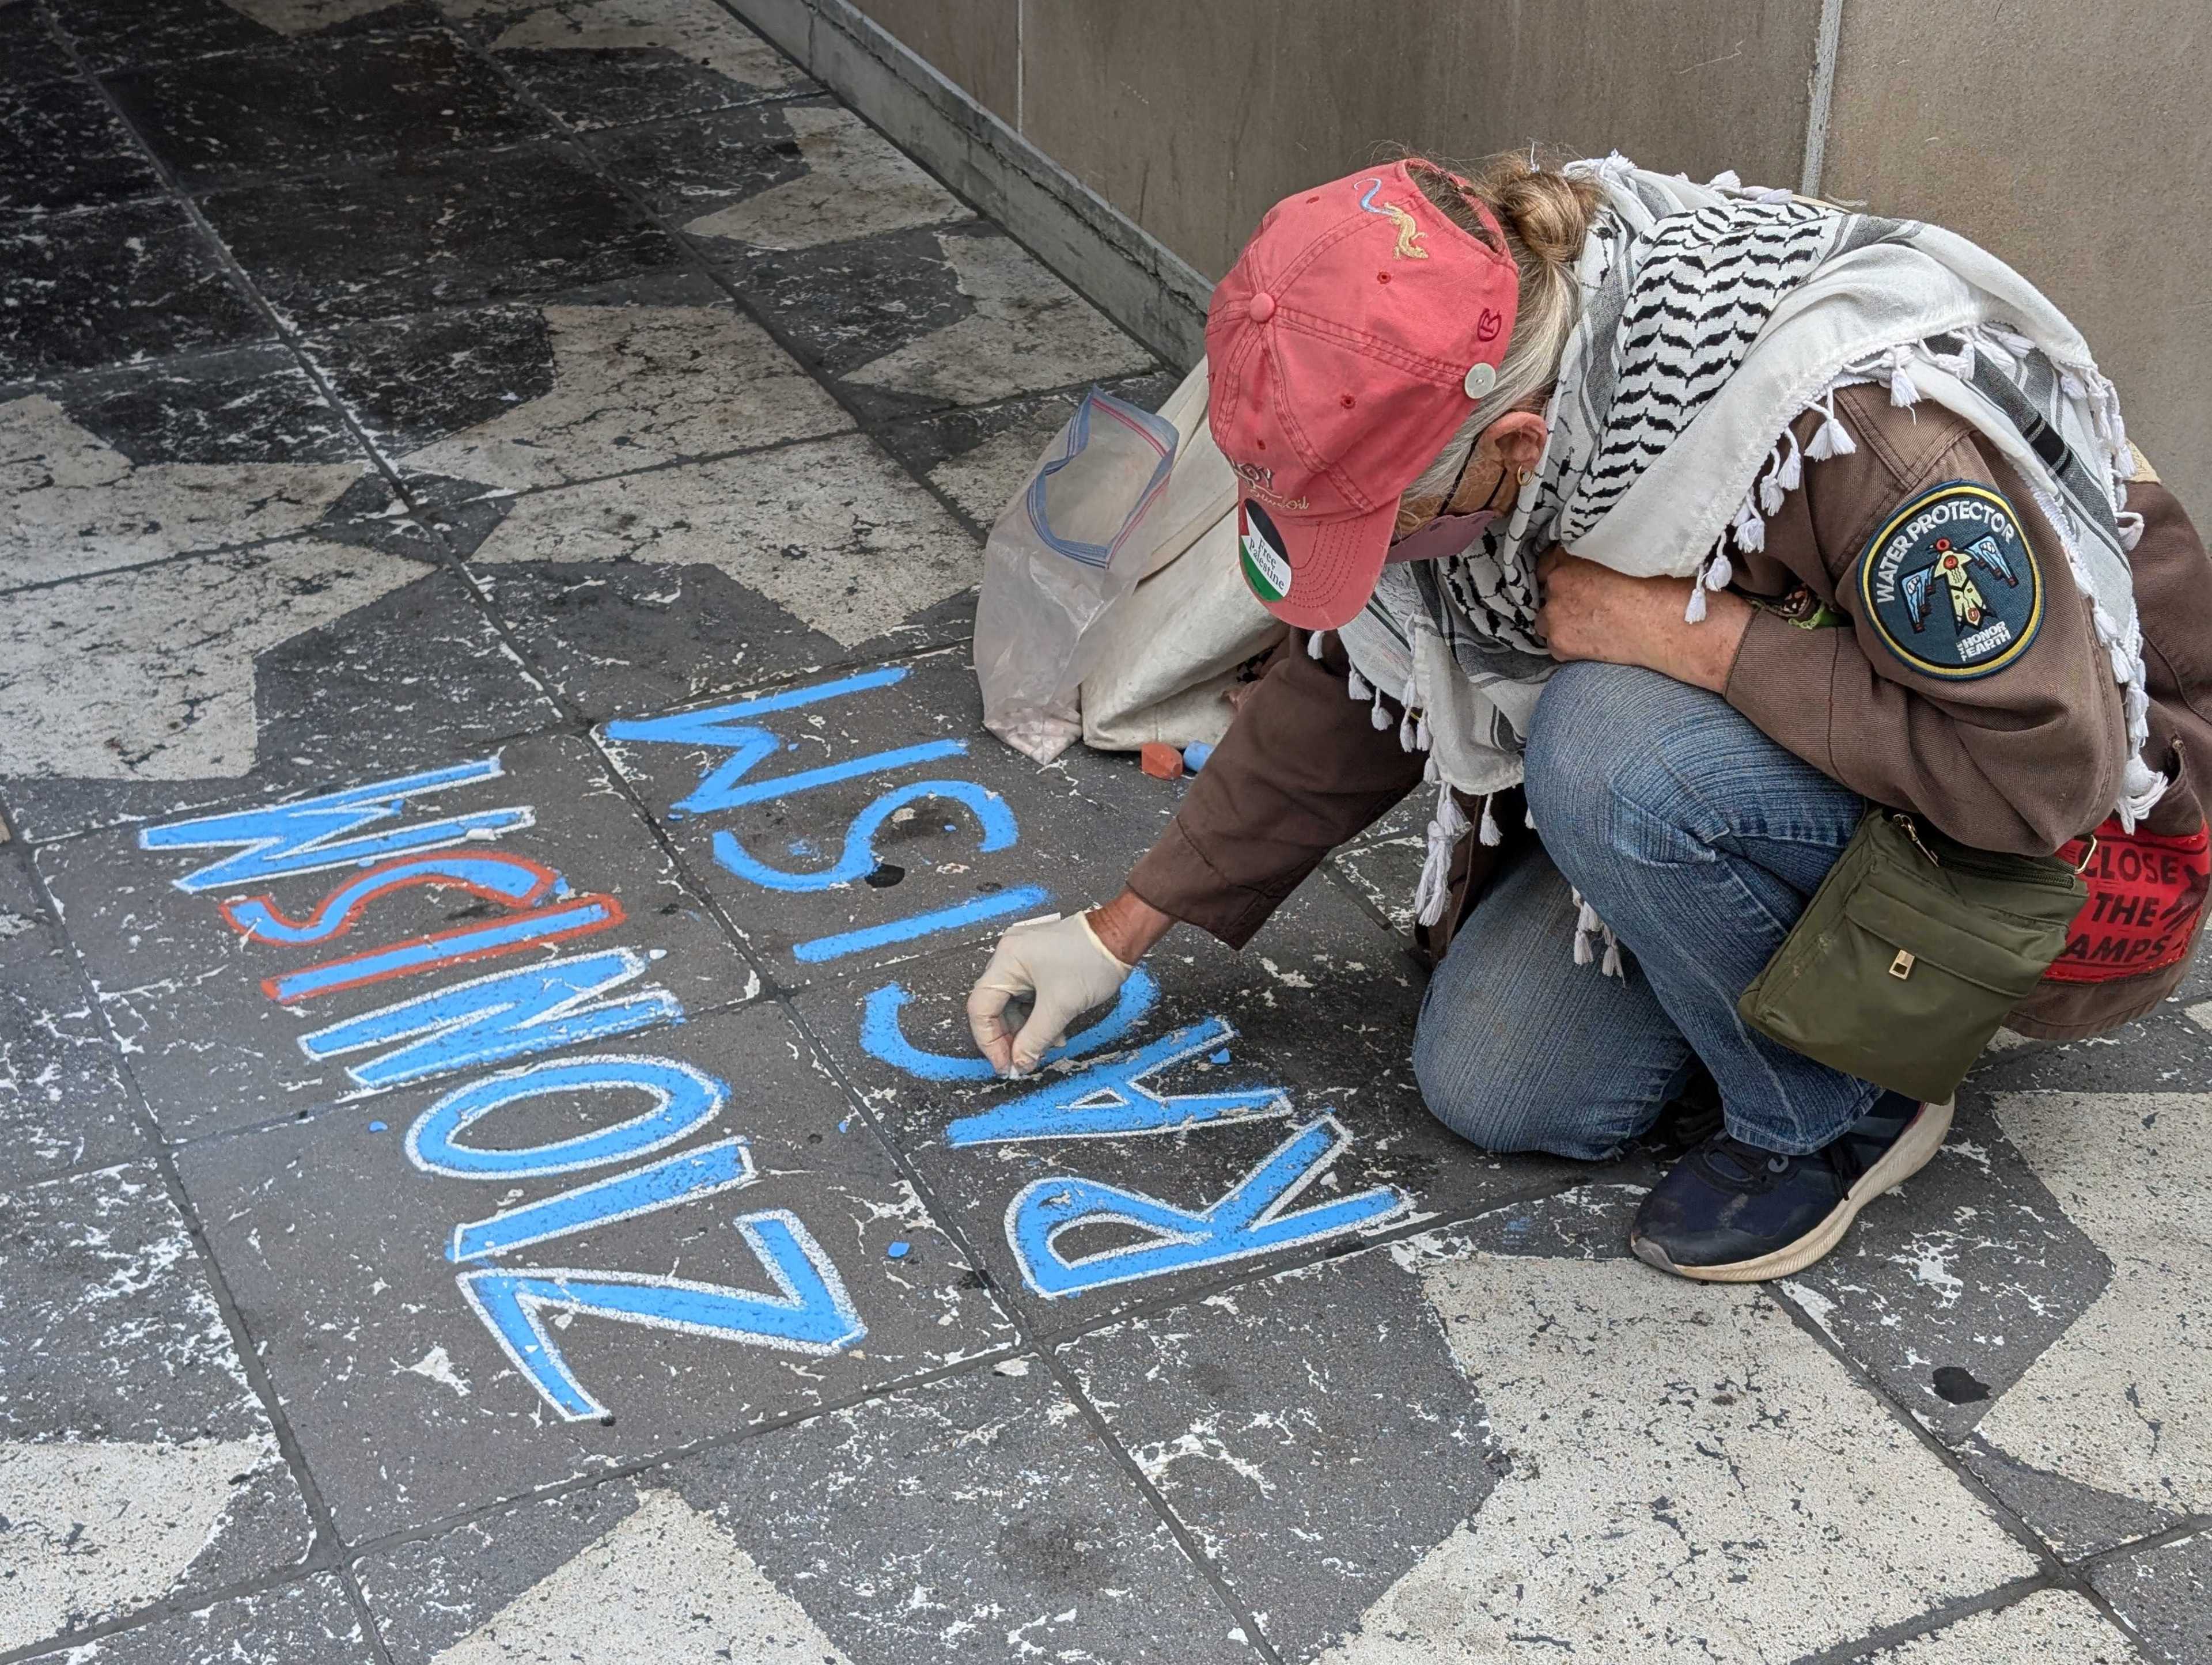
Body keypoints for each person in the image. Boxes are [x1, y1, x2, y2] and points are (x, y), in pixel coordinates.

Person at [965, 153, 2212, 1282]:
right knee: (1501, 1089)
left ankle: (1841, 1108)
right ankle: (1733, 931)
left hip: (2078, 839)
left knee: (1606, 751)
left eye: (1390, 524)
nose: (1388, 560)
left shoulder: (1864, 437)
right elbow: (1350, 671)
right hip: (1784, 767)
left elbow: (2048, 778)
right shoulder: (1496, 354)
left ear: (1513, 446)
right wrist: (1119, 930)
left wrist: (1708, 643)